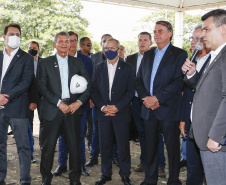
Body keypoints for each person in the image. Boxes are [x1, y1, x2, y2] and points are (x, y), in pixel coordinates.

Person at [136, 21, 188, 185]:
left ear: (170, 33)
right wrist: (146, 98)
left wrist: (156, 98)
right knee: (150, 146)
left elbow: (178, 82)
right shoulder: (148, 54)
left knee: (172, 148)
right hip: (149, 109)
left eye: (160, 31)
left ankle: (173, 180)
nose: (156, 34)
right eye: (155, 31)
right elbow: (138, 80)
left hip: (168, 109)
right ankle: (150, 179)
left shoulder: (179, 54)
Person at [38, 31, 91, 185]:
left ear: (70, 44)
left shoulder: (77, 63)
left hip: (73, 110)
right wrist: (58, 103)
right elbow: (42, 87)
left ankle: (75, 179)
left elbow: (88, 86)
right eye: (60, 41)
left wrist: (78, 102)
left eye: (66, 41)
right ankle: (46, 179)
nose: (63, 44)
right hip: (53, 110)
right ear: (55, 44)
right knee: (48, 149)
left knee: (74, 148)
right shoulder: (45, 63)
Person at [182, 9, 226, 185]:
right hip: (206, 135)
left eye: (207, 29)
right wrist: (193, 74)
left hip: (215, 139)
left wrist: (216, 136)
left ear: (223, 29)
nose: (202, 34)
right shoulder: (215, 55)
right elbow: (209, 89)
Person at [92, 38, 134, 185]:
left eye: (112, 48)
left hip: (121, 113)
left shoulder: (128, 67)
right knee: (105, 145)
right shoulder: (98, 67)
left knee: (123, 146)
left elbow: (130, 91)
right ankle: (105, 174)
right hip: (103, 113)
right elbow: (94, 91)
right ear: (103, 50)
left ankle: (125, 174)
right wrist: (103, 107)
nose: (109, 51)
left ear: (118, 49)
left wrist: (117, 107)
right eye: (106, 48)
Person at [52, 31, 92, 177]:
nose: (73, 43)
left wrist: (82, 101)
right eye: (71, 40)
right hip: (61, 106)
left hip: (80, 106)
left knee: (79, 136)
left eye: (75, 40)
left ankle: (80, 165)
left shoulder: (85, 60)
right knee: (63, 136)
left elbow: (90, 81)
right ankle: (62, 164)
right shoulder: (57, 60)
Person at [126, 32, 166, 176]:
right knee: (142, 133)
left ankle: (160, 165)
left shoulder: (157, 55)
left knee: (157, 133)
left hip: (154, 101)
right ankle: (144, 161)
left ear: (150, 42)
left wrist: (152, 99)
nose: (142, 42)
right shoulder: (130, 59)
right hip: (137, 101)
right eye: (140, 40)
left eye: (145, 40)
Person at [0, 23, 34, 185]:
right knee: (0, 146)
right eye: (12, 34)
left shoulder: (26, 58)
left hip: (17, 108)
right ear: (4, 36)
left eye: (18, 34)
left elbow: (25, 82)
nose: (15, 37)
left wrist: (6, 96)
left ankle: (25, 180)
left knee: (23, 147)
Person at [180, 24, 210, 185]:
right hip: (191, 124)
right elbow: (187, 96)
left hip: (207, 125)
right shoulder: (192, 61)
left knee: (210, 168)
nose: (194, 42)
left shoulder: (214, 61)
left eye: (199, 39)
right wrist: (184, 119)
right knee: (193, 165)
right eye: (192, 38)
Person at [86, 34, 119, 167]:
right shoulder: (93, 58)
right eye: (104, 42)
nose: (108, 47)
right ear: (101, 44)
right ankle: (94, 156)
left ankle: (114, 155)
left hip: (114, 104)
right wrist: (92, 98)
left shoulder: (119, 60)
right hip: (97, 102)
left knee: (114, 131)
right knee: (95, 130)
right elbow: (90, 79)